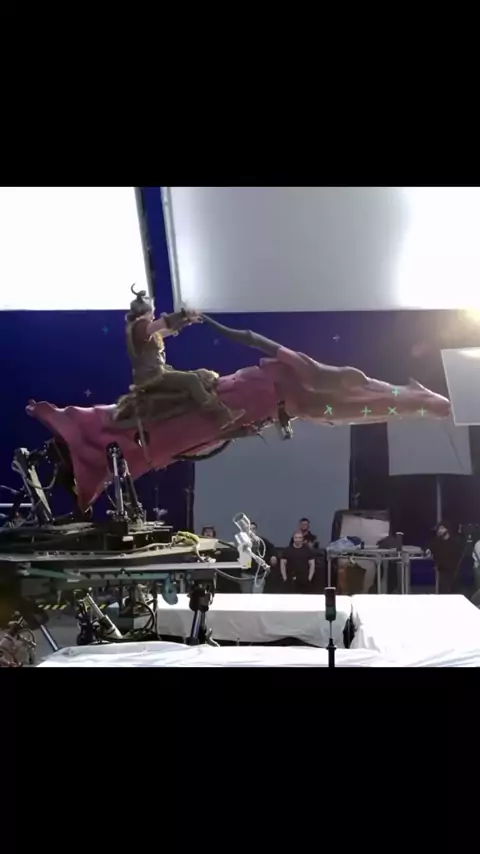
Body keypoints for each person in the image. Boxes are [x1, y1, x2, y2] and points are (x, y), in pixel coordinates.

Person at [114, 285, 243, 428]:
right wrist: (183, 314)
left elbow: (166, 330)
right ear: (146, 312)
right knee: (191, 379)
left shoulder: (143, 330)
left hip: (158, 372)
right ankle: (221, 415)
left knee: (198, 375)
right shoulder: (140, 327)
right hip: (151, 378)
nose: (153, 315)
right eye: (152, 312)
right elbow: (162, 324)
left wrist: (187, 320)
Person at [428, 522, 465, 594]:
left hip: (454, 571)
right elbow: (429, 546)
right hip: (442, 571)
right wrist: (428, 550)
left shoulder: (456, 541)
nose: (439, 530)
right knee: (443, 591)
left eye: (442, 528)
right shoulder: (437, 541)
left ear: (447, 529)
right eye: (438, 529)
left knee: (454, 592)